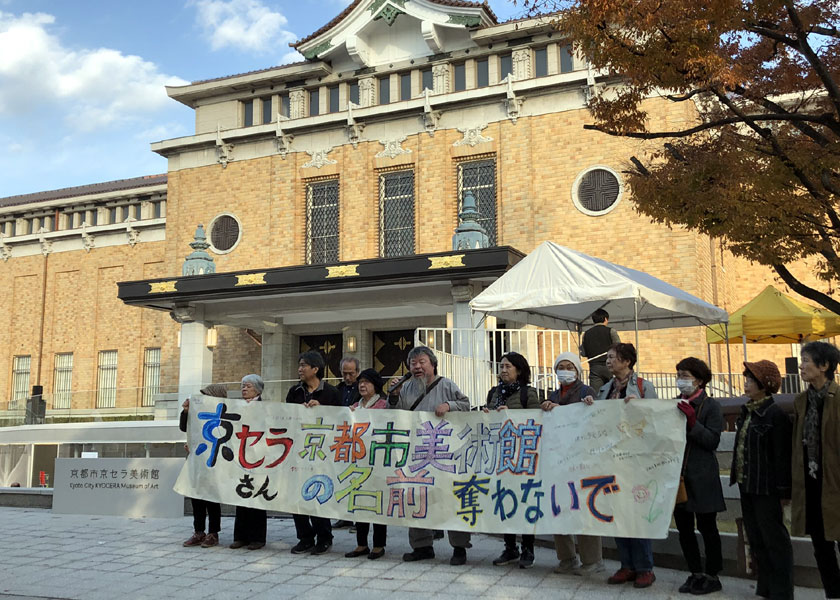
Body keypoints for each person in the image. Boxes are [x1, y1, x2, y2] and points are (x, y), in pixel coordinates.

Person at [388, 346, 471, 565]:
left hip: (446, 453)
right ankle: (422, 546)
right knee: (416, 495)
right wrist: (394, 396)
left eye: (421, 362)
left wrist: (449, 405)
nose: (417, 367)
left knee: (451, 497)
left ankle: (459, 547)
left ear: (433, 364)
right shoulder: (406, 389)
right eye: (413, 363)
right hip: (417, 452)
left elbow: (466, 405)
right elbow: (395, 415)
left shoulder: (446, 385)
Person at [596, 343, 658, 588]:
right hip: (612, 459)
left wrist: (640, 407)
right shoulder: (604, 389)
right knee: (619, 512)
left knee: (638, 512)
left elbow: (655, 419)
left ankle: (645, 567)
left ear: (627, 361)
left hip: (637, 460)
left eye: (613, 357)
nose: (609, 361)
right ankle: (626, 565)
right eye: (608, 357)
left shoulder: (644, 387)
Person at [730, 360, 793, 600]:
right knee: (756, 539)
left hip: (767, 488)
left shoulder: (774, 414)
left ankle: (782, 592)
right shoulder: (747, 411)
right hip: (748, 485)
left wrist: (783, 492)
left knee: (775, 541)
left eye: (750, 379)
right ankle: (765, 587)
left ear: (764, 385)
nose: (746, 383)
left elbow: (781, 456)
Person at [540, 352, 603, 576]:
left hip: (581, 458)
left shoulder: (587, 391)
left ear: (577, 370)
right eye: (561, 366)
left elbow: (595, 419)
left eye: (569, 366)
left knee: (583, 508)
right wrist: (546, 406)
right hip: (558, 458)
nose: (565, 370)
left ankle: (592, 559)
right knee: (560, 506)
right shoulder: (553, 393)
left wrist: (589, 405)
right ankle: (566, 558)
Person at [672, 357, 725, 595]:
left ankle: (712, 574)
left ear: (699, 380)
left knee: (707, 527)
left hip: (703, 476)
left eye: (685, 375)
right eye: (679, 375)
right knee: (684, 528)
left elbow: (712, 440)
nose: (680, 380)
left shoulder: (710, 406)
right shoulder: (674, 404)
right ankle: (694, 572)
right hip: (679, 476)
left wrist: (693, 422)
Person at [792, 341, 840, 598]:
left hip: (836, 484)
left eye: (807, 360)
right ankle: (832, 593)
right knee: (820, 545)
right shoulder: (802, 401)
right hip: (811, 483)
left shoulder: (838, 398)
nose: (801, 365)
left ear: (824, 366)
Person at [484, 352, 541, 569]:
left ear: (519, 369)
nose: (504, 370)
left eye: (508, 366)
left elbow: (536, 421)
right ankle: (510, 547)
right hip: (501, 455)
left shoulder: (528, 393)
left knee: (525, 501)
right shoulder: (494, 393)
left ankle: (528, 548)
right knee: (504, 500)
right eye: (501, 366)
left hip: (524, 457)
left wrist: (512, 415)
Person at [286, 351, 341, 555]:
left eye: (303, 365)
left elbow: (341, 420)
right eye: (299, 365)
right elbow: (286, 417)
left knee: (319, 493)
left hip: (323, 453)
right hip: (299, 451)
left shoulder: (332, 393)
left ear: (315, 369)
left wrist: (322, 408)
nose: (300, 369)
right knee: (297, 495)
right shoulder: (294, 392)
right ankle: (305, 537)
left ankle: (324, 537)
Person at [344, 368, 389, 560]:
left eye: (367, 382)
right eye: (360, 382)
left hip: (378, 461)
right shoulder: (355, 405)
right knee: (360, 501)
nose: (362, 385)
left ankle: (379, 545)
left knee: (377, 501)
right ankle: (361, 543)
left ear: (375, 385)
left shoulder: (384, 405)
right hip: (358, 461)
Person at [180, 383, 228, 549]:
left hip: (216, 460)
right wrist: (186, 411)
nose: (204, 398)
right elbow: (183, 427)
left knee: (212, 498)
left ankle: (213, 533)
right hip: (199, 460)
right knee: (197, 497)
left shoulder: (226, 412)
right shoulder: (198, 411)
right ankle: (199, 531)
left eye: (207, 395)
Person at [230, 375, 268, 550]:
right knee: (242, 494)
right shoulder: (236, 406)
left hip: (259, 456)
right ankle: (240, 536)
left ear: (258, 390)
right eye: (243, 386)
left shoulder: (266, 407)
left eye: (248, 386)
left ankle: (257, 538)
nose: (244, 389)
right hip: (240, 455)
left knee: (257, 496)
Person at [334, 356, 362, 529]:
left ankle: (359, 516)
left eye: (351, 374)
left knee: (357, 478)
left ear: (357, 372)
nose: (347, 377)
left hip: (359, 439)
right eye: (344, 374)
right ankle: (344, 515)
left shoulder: (363, 388)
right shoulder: (338, 389)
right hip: (342, 438)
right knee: (343, 477)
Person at [580, 308, 621, 391]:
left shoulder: (586, 334)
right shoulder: (611, 331)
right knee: (611, 392)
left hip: (594, 367)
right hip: (610, 366)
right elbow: (619, 348)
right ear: (606, 319)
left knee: (596, 395)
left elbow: (583, 353)